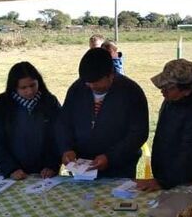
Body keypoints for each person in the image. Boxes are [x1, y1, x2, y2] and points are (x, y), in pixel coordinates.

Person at [57, 48, 149, 178]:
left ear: (111, 75)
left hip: (120, 169)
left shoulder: (131, 92)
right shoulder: (78, 88)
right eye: (88, 84)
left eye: (96, 84)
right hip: (82, 169)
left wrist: (110, 157)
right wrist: (66, 148)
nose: (91, 87)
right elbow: (64, 123)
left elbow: (138, 133)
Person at [136, 59, 192, 191]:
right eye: (162, 87)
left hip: (190, 183)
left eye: (168, 88)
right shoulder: (171, 101)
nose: (162, 91)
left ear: (186, 89)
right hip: (167, 179)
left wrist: (165, 182)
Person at [0, 61, 61, 180]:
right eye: (23, 88)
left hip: (44, 175)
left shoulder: (49, 102)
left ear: (39, 82)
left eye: (33, 85)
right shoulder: (0, 105)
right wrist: (10, 169)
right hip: (11, 175)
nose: (29, 91)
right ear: (14, 87)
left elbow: (59, 136)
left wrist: (51, 165)